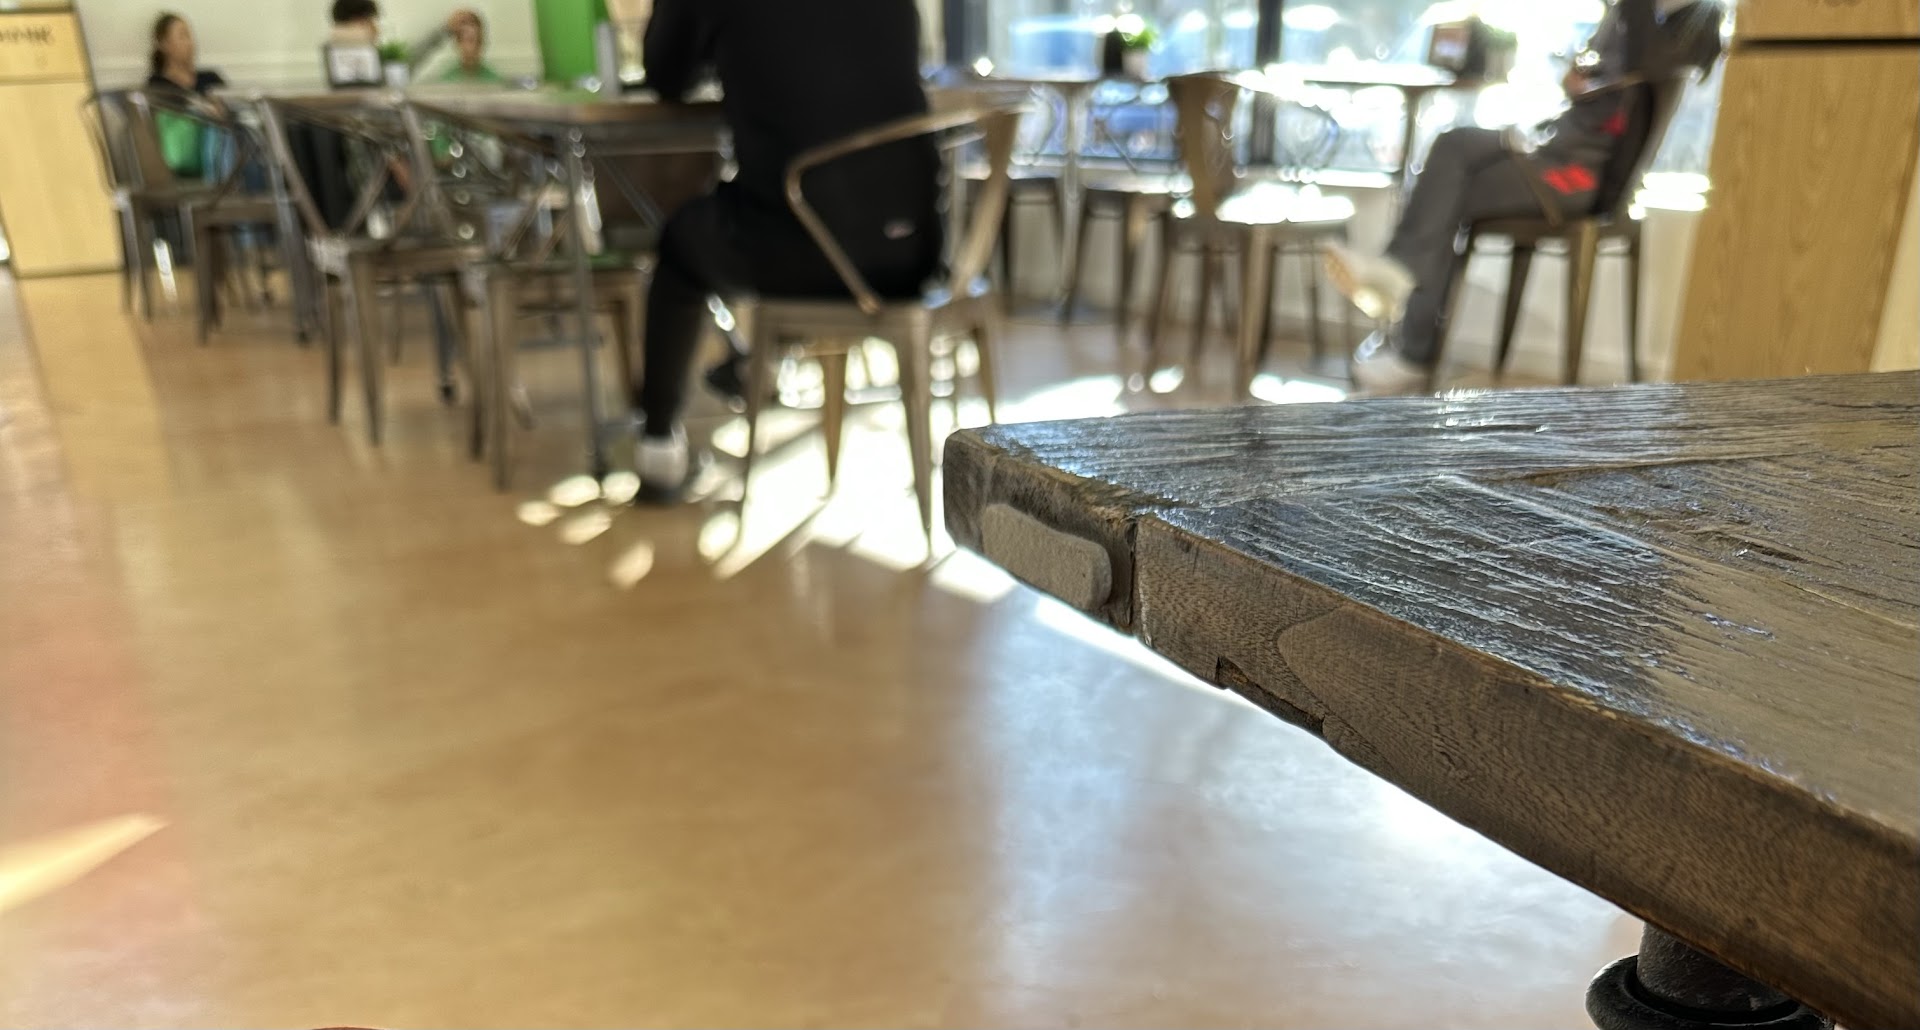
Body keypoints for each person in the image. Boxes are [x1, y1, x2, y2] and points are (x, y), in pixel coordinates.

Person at [1324, 0, 1725, 394]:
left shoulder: (1689, 19)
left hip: (1576, 177)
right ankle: (1408, 337)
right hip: (1553, 148)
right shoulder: (1629, 15)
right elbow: (1596, 78)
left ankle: (1409, 334)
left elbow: (1646, 64)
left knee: (1449, 164)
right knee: (1447, 172)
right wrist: (1577, 79)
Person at [631, 0, 945, 500]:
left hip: (802, 251)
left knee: (683, 241)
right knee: (784, 203)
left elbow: (666, 77)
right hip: (914, 249)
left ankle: (658, 451)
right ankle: (756, 361)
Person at [436, 10, 502, 83]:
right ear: (458, 43)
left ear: (481, 44)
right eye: (467, 40)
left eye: (476, 41)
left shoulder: (494, 80)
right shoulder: (446, 80)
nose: (472, 47)